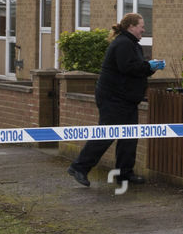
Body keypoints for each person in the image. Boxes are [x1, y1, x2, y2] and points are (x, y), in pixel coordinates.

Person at [68, 12, 163, 187]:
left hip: (126, 100)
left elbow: (136, 69)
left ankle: (124, 174)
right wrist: (147, 65)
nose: (144, 29)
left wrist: (150, 68)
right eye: (141, 26)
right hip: (113, 99)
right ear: (131, 27)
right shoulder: (123, 44)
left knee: (129, 137)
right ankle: (79, 167)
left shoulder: (132, 44)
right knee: (106, 134)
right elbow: (127, 67)